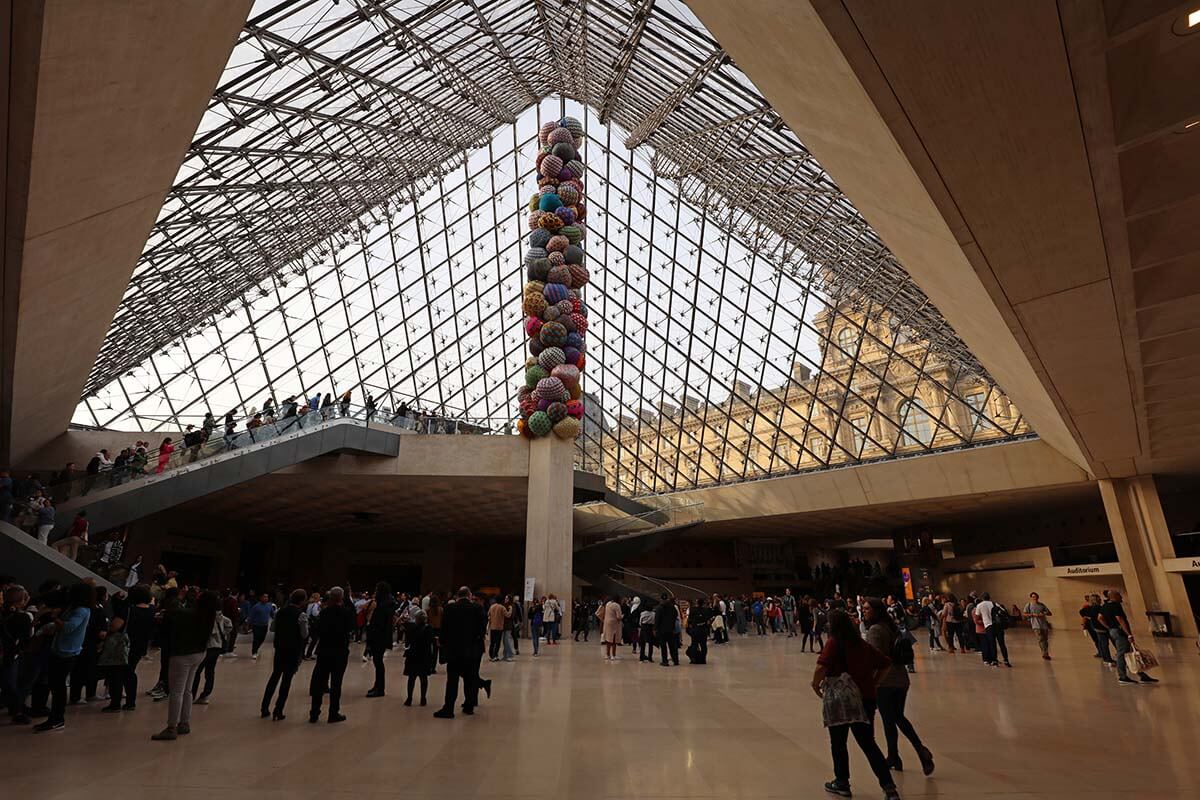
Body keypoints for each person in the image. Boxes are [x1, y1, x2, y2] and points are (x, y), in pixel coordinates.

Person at [811, 609, 900, 800]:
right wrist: (874, 683)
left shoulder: (834, 643)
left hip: (839, 701)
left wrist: (814, 684)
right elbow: (885, 663)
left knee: (838, 742)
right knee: (868, 744)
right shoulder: (860, 644)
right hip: (864, 698)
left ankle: (842, 781)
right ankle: (889, 787)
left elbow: (821, 667)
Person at [863, 598, 934, 776]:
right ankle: (894, 756)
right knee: (896, 717)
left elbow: (875, 658)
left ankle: (919, 750)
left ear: (876, 611)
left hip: (885, 681)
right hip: (901, 679)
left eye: (867, 609)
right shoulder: (892, 627)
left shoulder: (875, 630)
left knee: (892, 719)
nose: (864, 611)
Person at [152, 590, 218, 740]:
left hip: (182, 654)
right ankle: (184, 722)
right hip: (199, 654)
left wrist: (178, 597)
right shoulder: (208, 617)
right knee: (187, 690)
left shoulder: (188, 614)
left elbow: (173, 610)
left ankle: (171, 727)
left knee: (176, 691)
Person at [33, 583, 93, 733]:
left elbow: (68, 628)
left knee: (58, 687)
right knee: (55, 686)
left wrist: (55, 617)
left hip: (66, 653)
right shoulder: (75, 608)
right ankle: (55, 718)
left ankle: (57, 719)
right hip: (61, 650)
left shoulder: (81, 610)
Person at [434, 586, 489, 719]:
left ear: (458, 596)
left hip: (454, 650)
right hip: (471, 650)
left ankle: (448, 708)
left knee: (452, 680)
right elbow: (482, 629)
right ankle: (469, 706)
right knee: (470, 679)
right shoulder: (477, 608)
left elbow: (444, 628)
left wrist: (442, 642)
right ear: (469, 596)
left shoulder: (449, 608)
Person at [262, 589, 309, 720]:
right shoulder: (302, 615)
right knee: (286, 680)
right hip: (293, 651)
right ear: (302, 601)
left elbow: (272, 629)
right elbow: (304, 634)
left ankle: (264, 707)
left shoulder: (280, 612)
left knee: (274, 676)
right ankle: (278, 709)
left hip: (280, 649)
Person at [1097, 591, 1158, 685]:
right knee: (1122, 654)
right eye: (1119, 595)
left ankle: (1142, 675)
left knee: (1129, 653)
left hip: (1113, 631)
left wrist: (1109, 627)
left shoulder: (1104, 606)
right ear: (1115, 596)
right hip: (1120, 632)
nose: (1121, 597)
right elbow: (1120, 619)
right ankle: (1122, 676)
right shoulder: (1116, 605)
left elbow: (1100, 618)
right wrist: (1128, 634)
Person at [110, 584, 154, 711]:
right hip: (140, 646)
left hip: (124, 645)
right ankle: (130, 701)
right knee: (130, 672)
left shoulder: (128, 610)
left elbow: (114, 626)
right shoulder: (151, 610)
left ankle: (115, 703)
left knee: (117, 673)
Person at [191, 602, 232, 704]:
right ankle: (205, 694)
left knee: (197, 670)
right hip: (217, 647)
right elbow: (229, 625)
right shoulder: (220, 616)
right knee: (210, 671)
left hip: (207, 647)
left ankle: (191, 695)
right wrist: (223, 635)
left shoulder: (206, 616)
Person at [365, 582, 396, 697]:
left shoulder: (384, 606)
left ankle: (380, 688)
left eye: (377, 589)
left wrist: (371, 639)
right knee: (377, 662)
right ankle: (377, 685)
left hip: (379, 638)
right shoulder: (385, 604)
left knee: (378, 662)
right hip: (380, 637)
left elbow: (379, 624)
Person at [96, 616, 131, 713]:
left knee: (115, 676)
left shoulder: (122, 610)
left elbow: (116, 625)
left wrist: (107, 632)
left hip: (116, 649)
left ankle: (115, 703)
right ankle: (117, 702)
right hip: (120, 650)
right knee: (117, 677)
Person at [403, 607, 435, 706]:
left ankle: (409, 698)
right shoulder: (429, 629)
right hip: (424, 656)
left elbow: (408, 641)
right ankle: (423, 698)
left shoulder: (412, 628)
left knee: (411, 678)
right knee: (423, 678)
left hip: (413, 655)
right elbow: (430, 642)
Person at [1080, 594, 1114, 665]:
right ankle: (1107, 659)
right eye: (1098, 598)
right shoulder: (1098, 608)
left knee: (1101, 643)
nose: (1100, 599)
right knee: (1104, 644)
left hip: (1096, 627)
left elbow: (1082, 612)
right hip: (1101, 627)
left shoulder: (1091, 608)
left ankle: (1105, 658)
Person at [1022, 592, 1053, 660]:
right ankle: (1044, 654)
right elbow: (1024, 614)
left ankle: (1046, 652)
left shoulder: (1042, 605)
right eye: (1033, 597)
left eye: (1035, 596)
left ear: (1037, 597)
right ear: (1031, 597)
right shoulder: (1029, 605)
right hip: (1035, 625)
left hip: (1044, 625)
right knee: (1040, 639)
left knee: (1045, 640)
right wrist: (1032, 615)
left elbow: (1049, 613)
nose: (1034, 598)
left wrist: (1043, 613)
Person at [248, 592, 276, 659]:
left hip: (265, 625)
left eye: (267, 597)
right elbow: (251, 616)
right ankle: (254, 652)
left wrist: (275, 619)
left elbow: (272, 614)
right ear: (260, 598)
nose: (266, 598)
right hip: (256, 625)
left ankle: (256, 648)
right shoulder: (256, 606)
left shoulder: (269, 605)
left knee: (262, 639)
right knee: (256, 639)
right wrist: (249, 625)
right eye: (264, 597)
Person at [654, 594, 680, 667]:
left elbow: (657, 619)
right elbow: (675, 615)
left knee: (663, 646)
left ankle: (665, 661)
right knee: (672, 646)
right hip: (671, 629)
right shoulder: (672, 607)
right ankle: (676, 660)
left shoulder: (659, 608)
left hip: (662, 630)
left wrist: (655, 628)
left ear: (661, 599)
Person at [687, 597, 713, 664]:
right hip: (703, 630)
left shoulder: (693, 610)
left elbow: (689, 620)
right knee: (703, 645)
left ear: (697, 603)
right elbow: (709, 620)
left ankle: (694, 659)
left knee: (694, 645)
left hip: (695, 630)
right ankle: (703, 659)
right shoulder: (706, 610)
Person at [487, 595, 511, 662]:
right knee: (497, 643)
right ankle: (495, 656)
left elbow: (488, 614)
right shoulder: (502, 607)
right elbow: (508, 615)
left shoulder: (492, 606)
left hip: (492, 627)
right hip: (499, 627)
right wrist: (510, 609)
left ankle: (491, 655)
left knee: (492, 642)